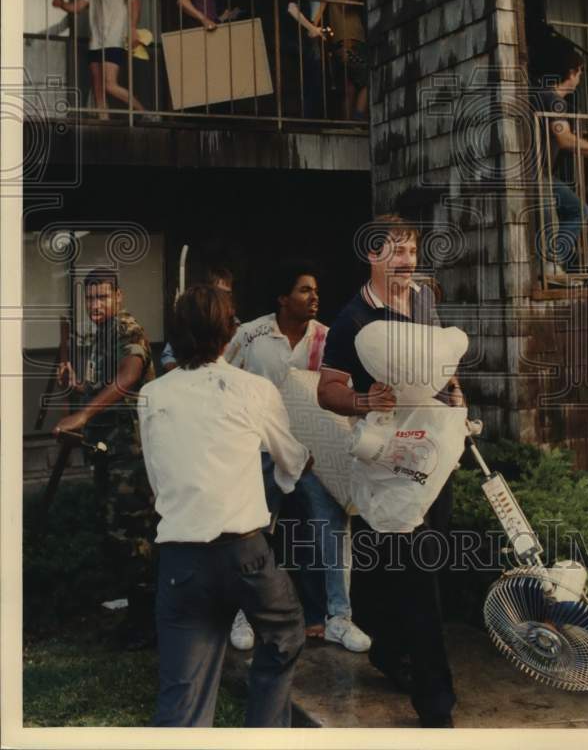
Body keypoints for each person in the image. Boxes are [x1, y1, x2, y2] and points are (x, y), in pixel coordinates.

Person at [138, 284, 310, 727]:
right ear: (228, 333)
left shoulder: (152, 395)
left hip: (179, 558)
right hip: (244, 555)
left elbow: (158, 483)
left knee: (182, 695)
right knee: (285, 635)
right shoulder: (253, 389)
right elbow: (290, 463)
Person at [317, 215, 464, 728]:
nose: (405, 261)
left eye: (411, 251)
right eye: (395, 252)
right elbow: (326, 391)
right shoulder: (352, 319)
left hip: (436, 454)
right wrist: (361, 398)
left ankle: (388, 649)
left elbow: (442, 359)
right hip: (388, 461)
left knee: (420, 566)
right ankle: (435, 700)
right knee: (420, 577)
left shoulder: (424, 299)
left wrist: (455, 395)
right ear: (372, 256)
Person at [224, 259, 371, 654]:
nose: (314, 297)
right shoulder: (251, 334)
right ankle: (244, 614)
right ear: (283, 298)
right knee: (252, 530)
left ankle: (339, 617)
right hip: (261, 448)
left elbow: (342, 390)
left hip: (314, 453)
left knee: (333, 528)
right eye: (305, 290)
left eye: (316, 291)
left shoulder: (329, 338)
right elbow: (222, 379)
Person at [52, 267, 156, 649]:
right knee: (115, 533)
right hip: (108, 451)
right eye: (90, 298)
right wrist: (76, 383)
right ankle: (137, 614)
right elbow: (102, 384)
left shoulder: (127, 329)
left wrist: (84, 413)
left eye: (103, 297)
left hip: (131, 453)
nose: (96, 304)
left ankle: (147, 624)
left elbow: (128, 378)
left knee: (133, 536)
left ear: (119, 298)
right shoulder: (102, 336)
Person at [533, 39, 588, 280]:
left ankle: (554, 265)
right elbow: (566, 141)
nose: (580, 78)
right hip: (535, 176)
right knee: (577, 211)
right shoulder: (553, 100)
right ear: (571, 73)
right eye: (580, 72)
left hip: (536, 174)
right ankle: (552, 265)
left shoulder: (541, 95)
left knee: (574, 210)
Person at [52, 0, 145, 115]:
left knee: (110, 84)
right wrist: (62, 5)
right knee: (98, 87)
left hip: (114, 39)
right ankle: (103, 120)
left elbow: (134, 1)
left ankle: (145, 113)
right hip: (95, 41)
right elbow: (78, 7)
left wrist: (132, 29)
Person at [160, 264, 239, 373]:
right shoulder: (190, 321)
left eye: (227, 293)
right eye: (218, 292)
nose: (223, 298)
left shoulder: (237, 326)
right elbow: (168, 357)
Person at [327, 0, 368, 120]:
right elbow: (345, 3)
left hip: (343, 45)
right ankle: (358, 120)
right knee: (368, 81)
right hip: (351, 45)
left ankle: (348, 122)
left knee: (350, 87)